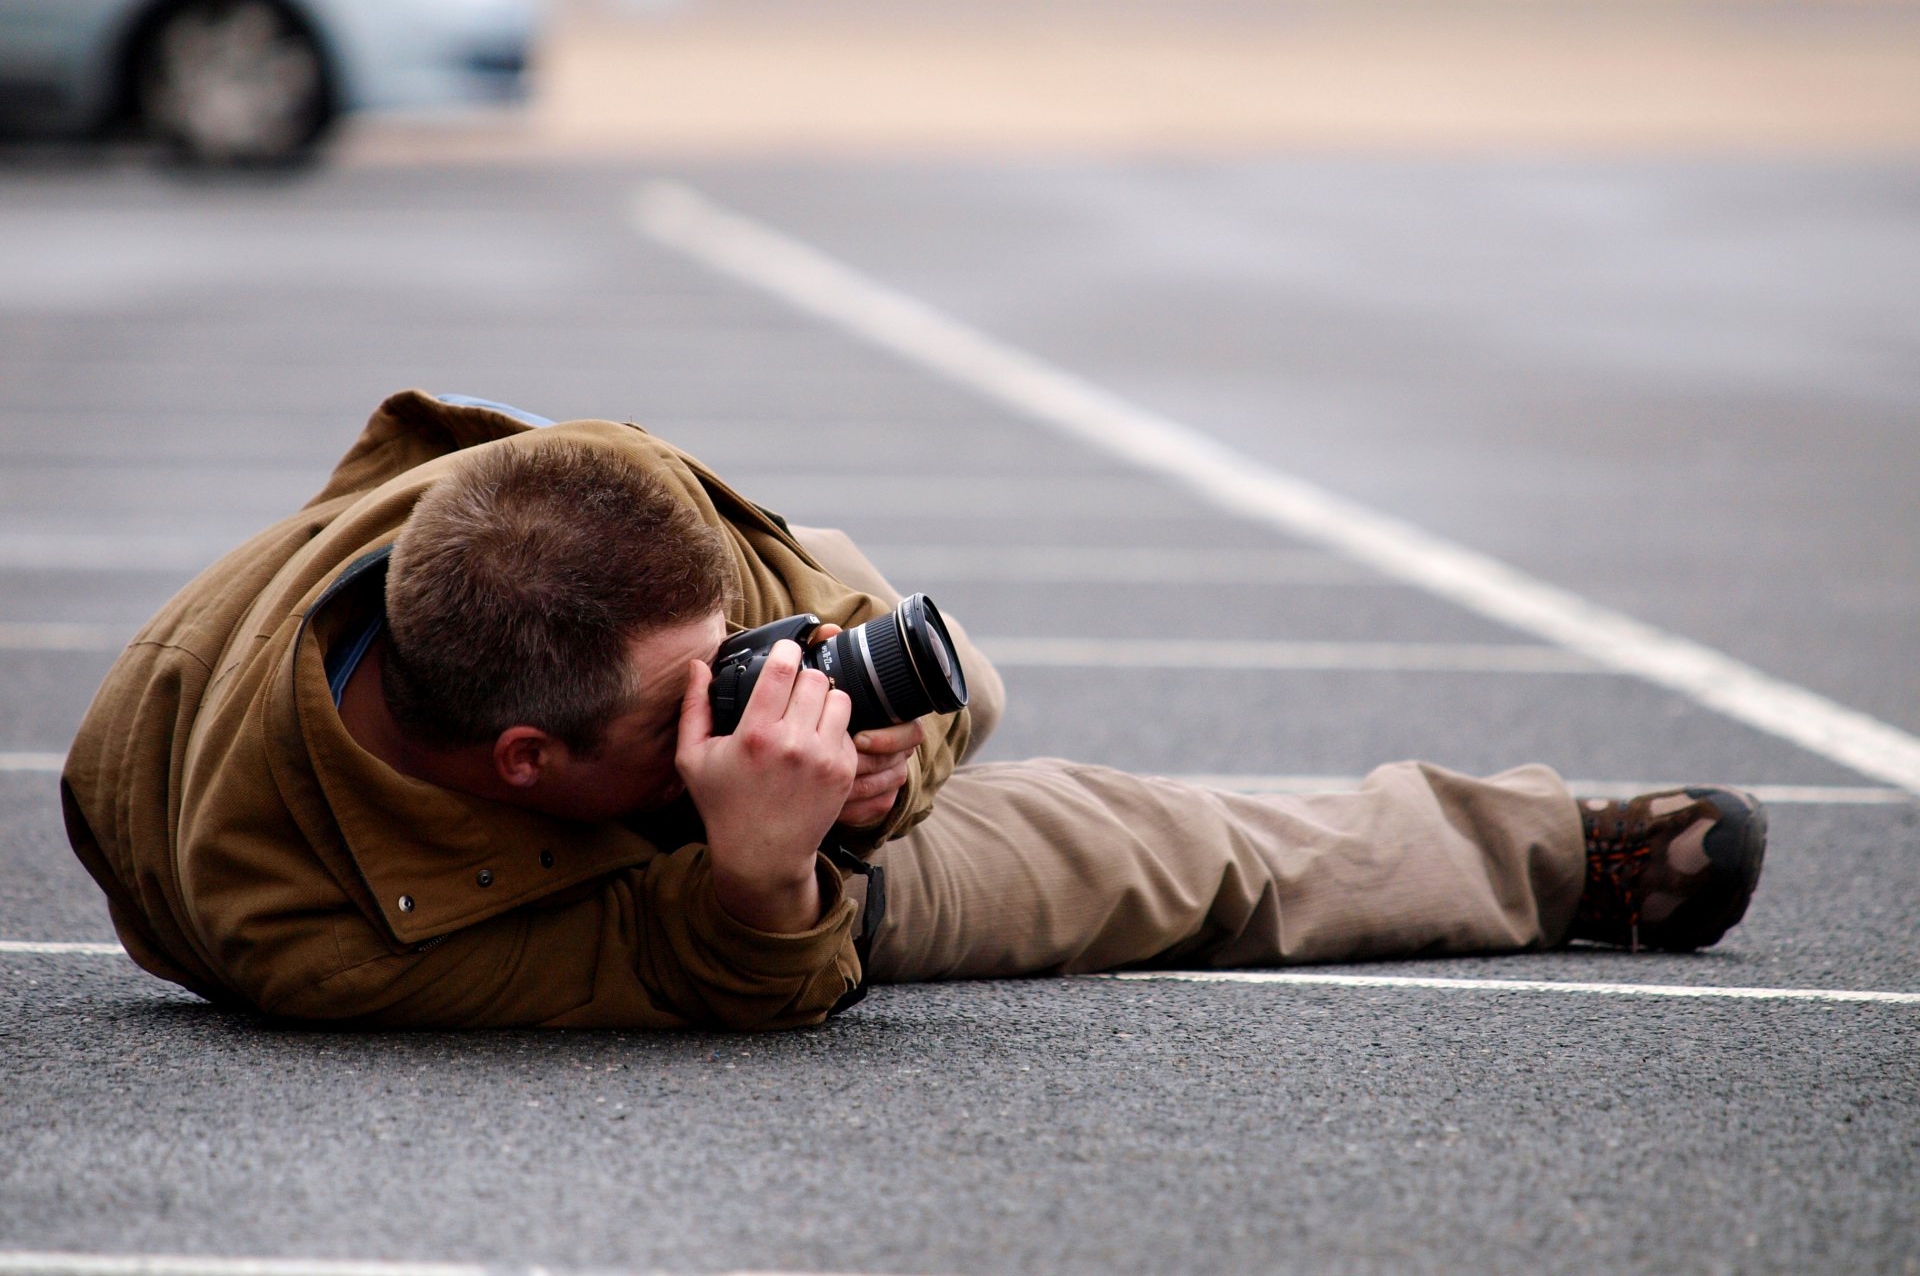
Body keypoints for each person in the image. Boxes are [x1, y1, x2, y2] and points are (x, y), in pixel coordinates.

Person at [62, 391, 1769, 1030]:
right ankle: (1553, 860)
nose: (761, 688)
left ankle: (1556, 851)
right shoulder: (319, 936)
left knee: (1062, 763)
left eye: (738, 645)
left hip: (641, 718)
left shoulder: (605, 507)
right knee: (1150, 867)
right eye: (705, 697)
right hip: (584, 892)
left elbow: (903, 660)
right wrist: (763, 876)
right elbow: (706, 984)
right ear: (531, 764)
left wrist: (877, 771)